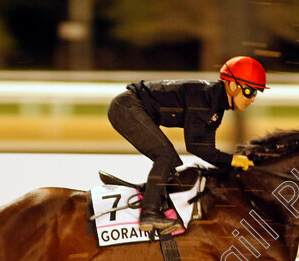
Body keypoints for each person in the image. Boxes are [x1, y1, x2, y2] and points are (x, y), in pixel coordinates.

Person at [108, 56, 268, 234]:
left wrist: (233, 163)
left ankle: (152, 200)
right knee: (166, 157)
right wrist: (231, 160)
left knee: (170, 160)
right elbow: (195, 145)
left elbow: (206, 150)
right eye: (250, 92)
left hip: (132, 106)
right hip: (127, 107)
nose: (252, 99)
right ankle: (149, 212)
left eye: (255, 93)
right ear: (232, 86)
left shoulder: (215, 109)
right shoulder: (204, 98)